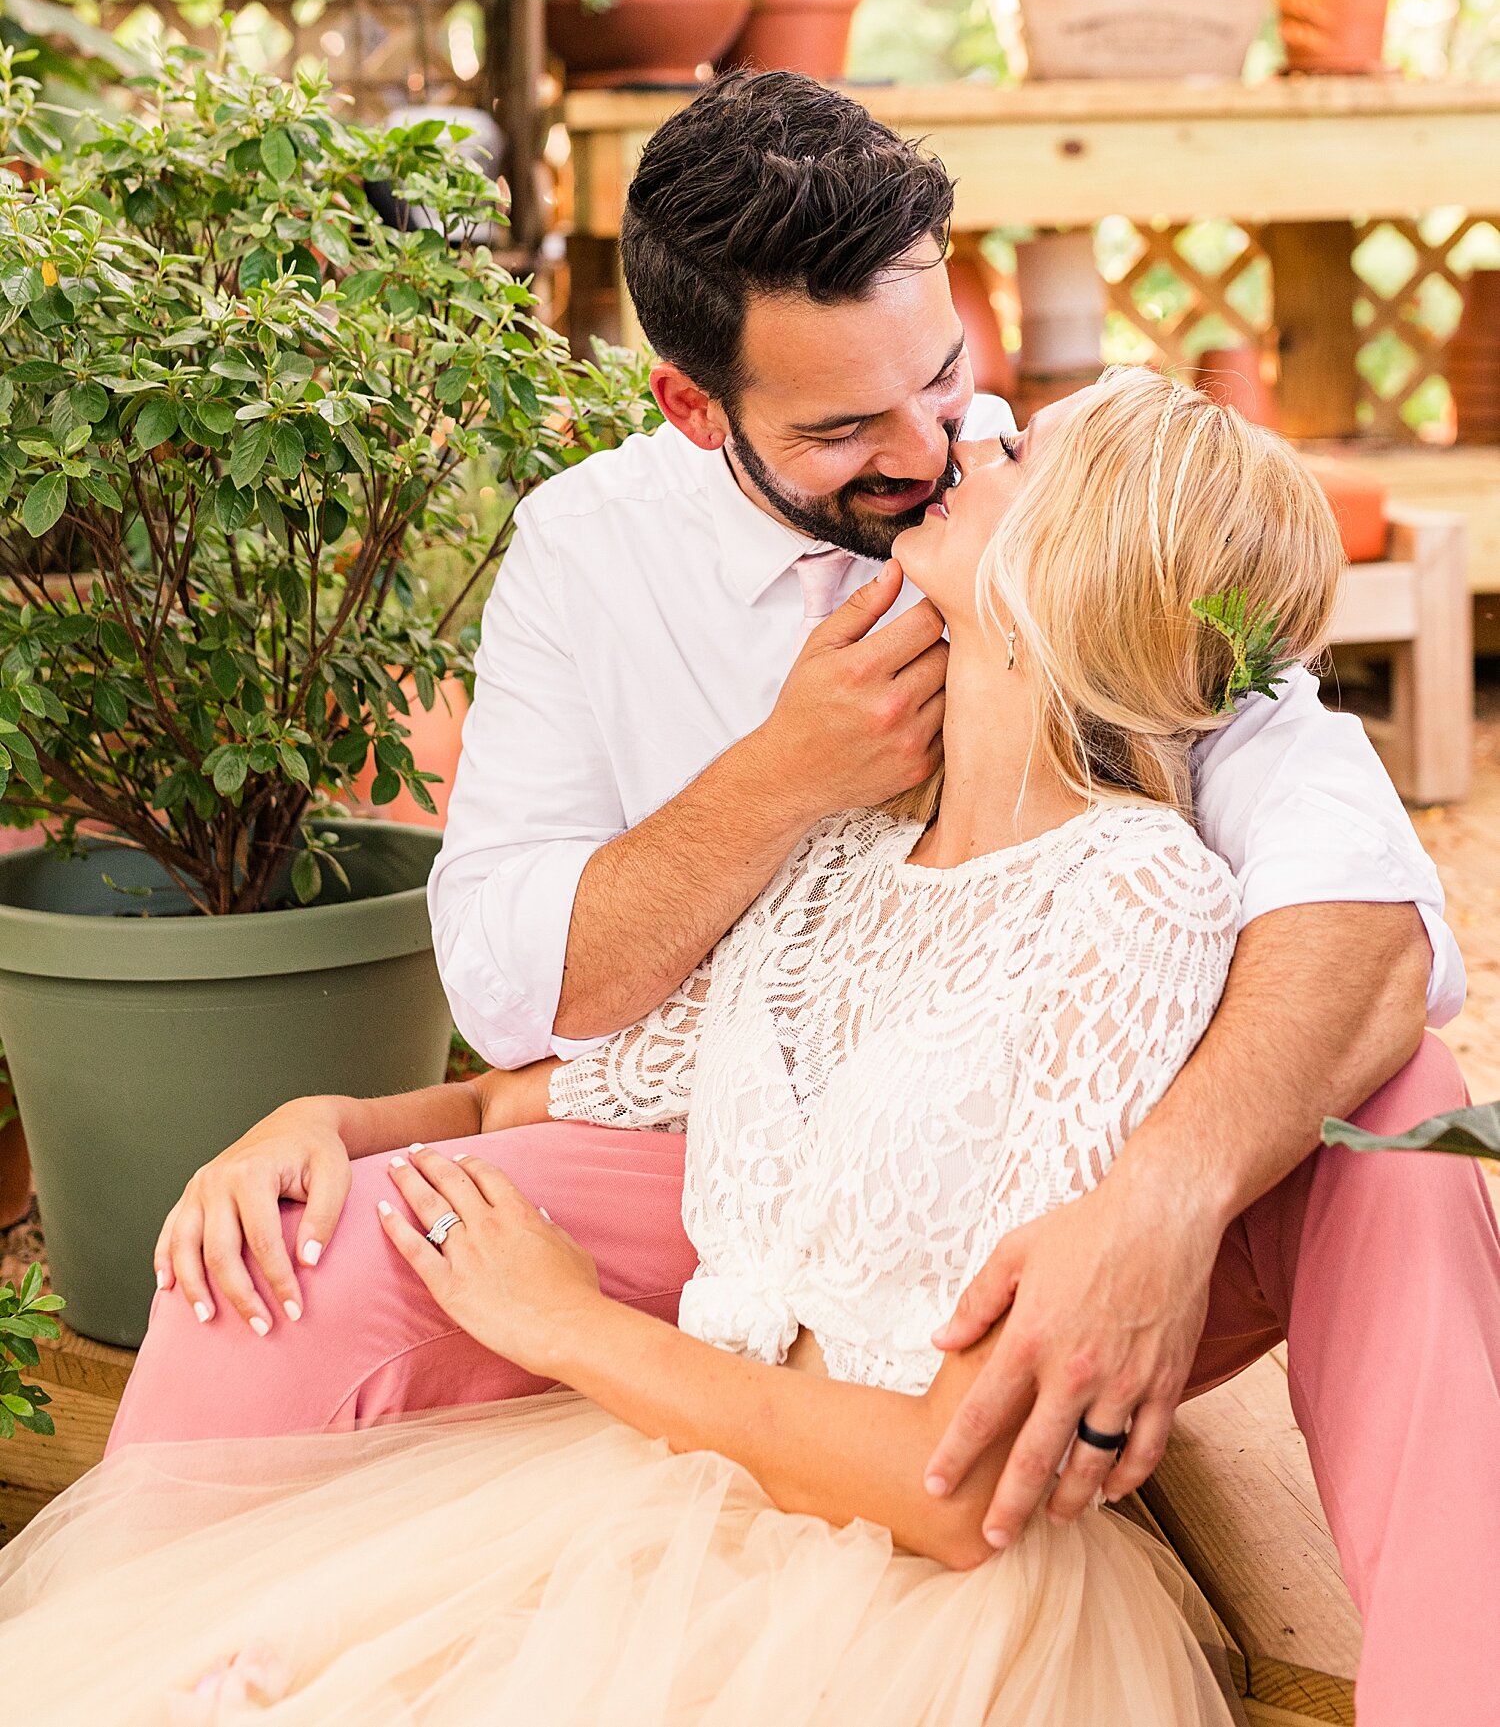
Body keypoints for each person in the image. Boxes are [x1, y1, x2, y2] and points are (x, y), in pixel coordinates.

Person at [108, 75, 1500, 1726]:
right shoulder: (593, 555)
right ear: (698, 410)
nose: (927, 454)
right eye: (846, 430)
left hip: (1058, 1193)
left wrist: (1155, 1210)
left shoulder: (1089, 530)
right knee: (278, 1257)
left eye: (945, 381)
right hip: (747, 1138)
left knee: (1394, 1115)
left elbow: (1366, 911)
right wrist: (781, 777)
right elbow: (518, 1000)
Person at [1, 371, 1348, 1723]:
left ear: (1081, 563)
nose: (967, 440)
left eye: (1020, 453)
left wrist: (568, 1324)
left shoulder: (1133, 897)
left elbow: (957, 1476)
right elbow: (551, 1091)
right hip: (664, 1498)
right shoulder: (841, 862)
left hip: (895, 1609)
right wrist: (324, 1119)